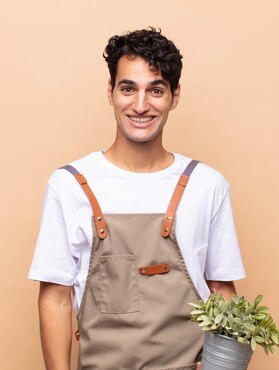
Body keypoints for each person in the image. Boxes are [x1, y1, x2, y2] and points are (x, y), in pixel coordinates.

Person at [28, 27, 246, 370]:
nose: (141, 105)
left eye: (155, 90)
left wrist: (224, 365)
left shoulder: (208, 184)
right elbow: (55, 298)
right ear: (111, 92)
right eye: (128, 89)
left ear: (175, 96)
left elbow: (222, 288)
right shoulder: (68, 185)